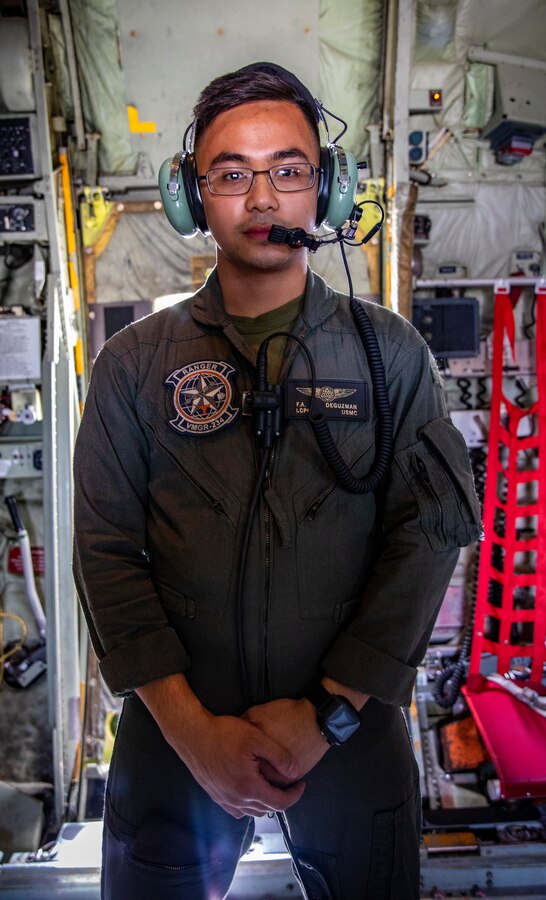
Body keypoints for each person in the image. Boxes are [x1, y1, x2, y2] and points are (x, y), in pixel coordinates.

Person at [73, 62, 481, 900]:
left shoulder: (391, 353)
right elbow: (105, 553)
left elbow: (427, 537)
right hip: (176, 728)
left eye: (288, 170)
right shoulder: (133, 365)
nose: (262, 199)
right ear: (192, 198)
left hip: (350, 724)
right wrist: (192, 737)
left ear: (325, 191)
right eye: (232, 174)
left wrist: (330, 716)